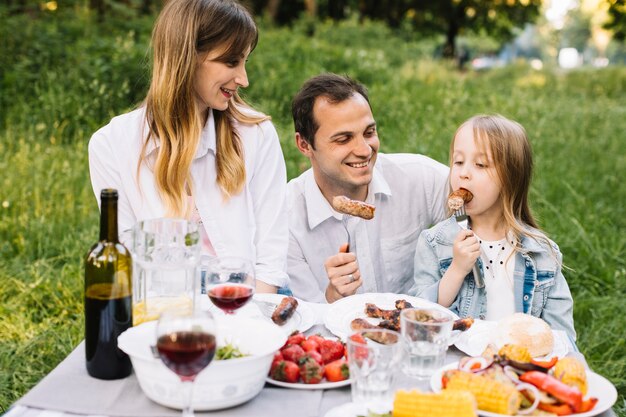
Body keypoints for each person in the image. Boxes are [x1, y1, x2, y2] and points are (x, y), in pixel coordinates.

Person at [88, 0, 288, 292]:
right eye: (231, 62)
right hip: (164, 305)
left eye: (245, 62)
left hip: (250, 301)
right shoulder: (111, 145)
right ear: (187, 57)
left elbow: (270, 260)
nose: (243, 79)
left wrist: (248, 326)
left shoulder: (256, 134)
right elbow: (128, 264)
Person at [411, 114, 576, 342]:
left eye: (480, 164)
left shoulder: (543, 254)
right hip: (458, 368)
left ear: (511, 178)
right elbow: (418, 320)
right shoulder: (434, 243)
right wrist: (457, 270)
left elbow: (562, 337)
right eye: (458, 162)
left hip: (518, 367)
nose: (463, 173)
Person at [287, 73, 449, 303]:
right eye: (343, 139)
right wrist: (333, 297)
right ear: (304, 144)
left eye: (369, 133)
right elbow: (306, 321)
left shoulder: (419, 176)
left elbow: (491, 210)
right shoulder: (284, 217)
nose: (364, 150)